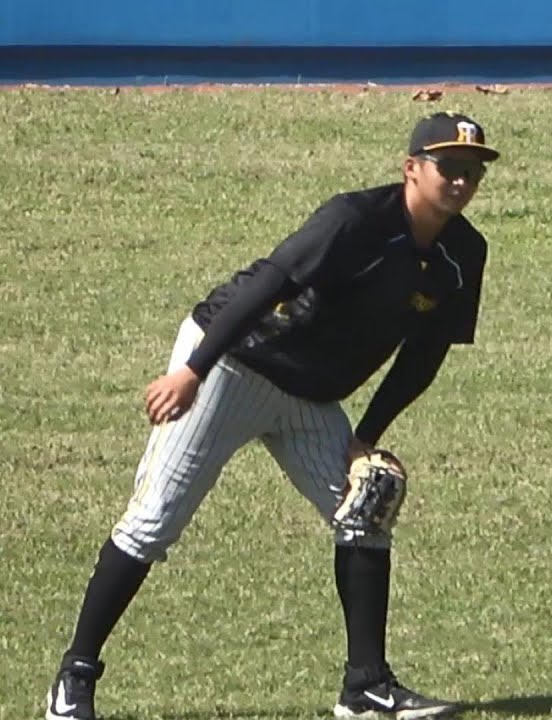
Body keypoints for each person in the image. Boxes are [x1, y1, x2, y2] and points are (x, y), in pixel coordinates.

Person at [45, 111, 499, 720]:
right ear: (411, 168)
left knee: (368, 505)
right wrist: (192, 370)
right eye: (449, 166)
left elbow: (425, 354)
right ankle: (73, 679)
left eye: (473, 171)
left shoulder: (463, 252)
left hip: (309, 396)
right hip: (233, 365)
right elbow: (268, 281)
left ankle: (366, 687)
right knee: (152, 522)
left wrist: (365, 438)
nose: (462, 180)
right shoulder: (354, 220)